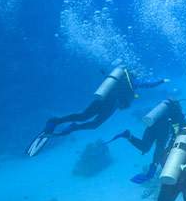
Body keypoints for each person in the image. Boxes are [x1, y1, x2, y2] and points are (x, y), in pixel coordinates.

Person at [26, 63, 168, 157]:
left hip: (102, 100)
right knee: (93, 124)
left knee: (83, 115)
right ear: (135, 73)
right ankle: (70, 127)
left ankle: (56, 121)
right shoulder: (134, 82)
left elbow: (104, 72)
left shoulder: (120, 79)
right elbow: (149, 84)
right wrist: (162, 80)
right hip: (110, 105)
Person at [109, 98, 186, 184]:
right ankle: (152, 171)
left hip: (151, 127)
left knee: (145, 147)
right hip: (163, 131)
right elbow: (183, 127)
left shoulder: (160, 111)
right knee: (159, 149)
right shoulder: (177, 114)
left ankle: (128, 135)